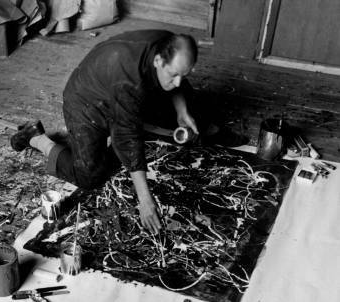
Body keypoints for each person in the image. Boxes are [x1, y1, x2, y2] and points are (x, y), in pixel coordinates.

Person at [10, 29, 199, 234]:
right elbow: (127, 137)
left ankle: (134, 124)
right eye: (173, 75)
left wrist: (182, 110)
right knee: (90, 177)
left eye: (183, 75)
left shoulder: (169, 44)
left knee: (194, 114)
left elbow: (176, 79)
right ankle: (35, 138)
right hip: (87, 103)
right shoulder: (129, 76)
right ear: (158, 61)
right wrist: (145, 200)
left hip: (118, 92)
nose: (178, 82)